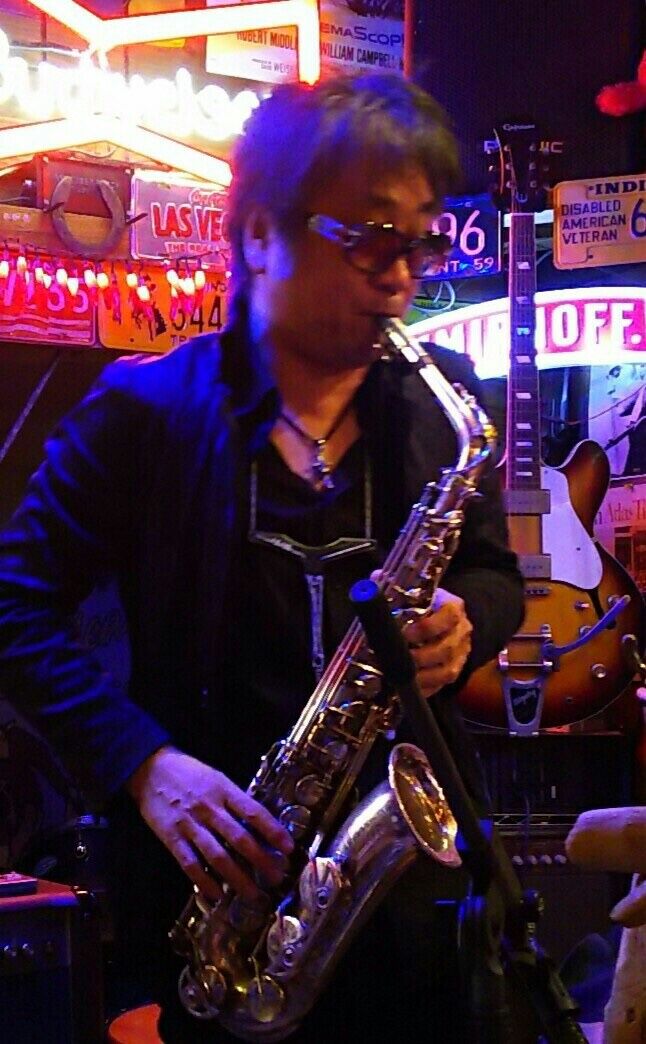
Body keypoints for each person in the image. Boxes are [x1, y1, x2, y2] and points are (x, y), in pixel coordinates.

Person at [0, 71, 524, 1042]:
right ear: (256, 236)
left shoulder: (440, 404)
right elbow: (12, 606)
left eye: (419, 241)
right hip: (218, 908)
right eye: (369, 235)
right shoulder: (143, 413)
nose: (400, 276)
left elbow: (495, 576)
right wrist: (142, 763)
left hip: (417, 915)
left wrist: (471, 622)